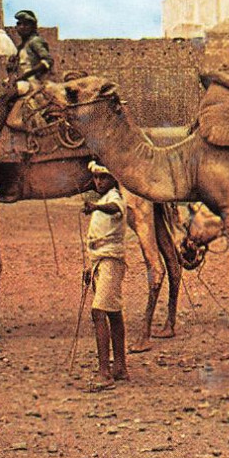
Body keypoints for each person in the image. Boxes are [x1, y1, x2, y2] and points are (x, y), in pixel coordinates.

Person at [82, 160, 129, 390]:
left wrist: (95, 207)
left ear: (113, 179)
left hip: (111, 260)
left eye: (103, 178)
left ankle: (105, 372)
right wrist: (90, 268)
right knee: (113, 313)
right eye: (96, 178)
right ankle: (120, 366)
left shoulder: (114, 199)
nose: (98, 182)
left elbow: (114, 209)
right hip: (100, 261)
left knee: (98, 311)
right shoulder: (103, 200)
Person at [5, 9, 53, 97]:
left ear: (33, 27)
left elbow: (48, 61)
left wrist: (24, 76)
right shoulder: (21, 47)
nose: (22, 27)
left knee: (5, 97)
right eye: (19, 24)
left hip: (35, 83)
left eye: (26, 24)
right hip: (23, 83)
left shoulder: (35, 41)